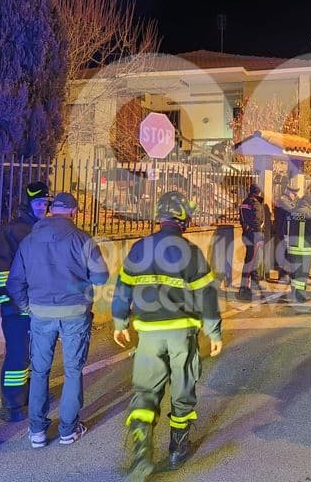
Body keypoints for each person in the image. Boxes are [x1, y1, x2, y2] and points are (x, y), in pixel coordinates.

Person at [112, 191, 223, 479]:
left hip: (147, 334)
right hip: (181, 334)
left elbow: (123, 289)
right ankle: (176, 451)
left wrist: (119, 323)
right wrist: (213, 332)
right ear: (183, 218)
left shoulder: (139, 248)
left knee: (145, 393)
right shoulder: (191, 251)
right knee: (182, 390)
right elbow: (207, 297)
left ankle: (141, 455)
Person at [6, 192, 109, 448]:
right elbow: (100, 277)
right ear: (73, 212)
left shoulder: (29, 240)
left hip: (40, 313)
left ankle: (38, 432)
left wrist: (27, 307)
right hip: (75, 313)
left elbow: (14, 281)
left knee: (40, 371)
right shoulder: (82, 239)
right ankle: (68, 430)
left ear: (52, 210)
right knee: (73, 370)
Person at [0, 181, 51, 422]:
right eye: (38, 203)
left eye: (46, 203)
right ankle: (12, 404)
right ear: (28, 204)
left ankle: (29, 396)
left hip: (41, 305)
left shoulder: (46, 228)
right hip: (17, 308)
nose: (42, 208)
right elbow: (0, 271)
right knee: (17, 357)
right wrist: (8, 303)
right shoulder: (12, 231)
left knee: (37, 355)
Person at [285, 184, 311, 303]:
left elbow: (283, 229)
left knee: (294, 273)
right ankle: (300, 296)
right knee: (302, 274)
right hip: (304, 250)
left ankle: (294, 293)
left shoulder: (292, 212)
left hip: (291, 248)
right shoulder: (309, 213)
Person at [237, 183, 265, 301]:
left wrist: (247, 228)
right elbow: (257, 220)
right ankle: (244, 288)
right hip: (254, 236)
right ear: (258, 193)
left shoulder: (244, 203)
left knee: (251, 261)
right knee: (251, 262)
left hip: (247, 235)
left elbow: (242, 220)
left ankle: (255, 285)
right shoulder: (255, 203)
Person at [273, 183, 298, 284]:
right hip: (284, 231)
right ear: (289, 192)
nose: (295, 196)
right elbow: (293, 213)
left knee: (286, 253)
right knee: (285, 253)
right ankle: (283, 275)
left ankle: (284, 274)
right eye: (294, 194)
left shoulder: (287, 200)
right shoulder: (284, 200)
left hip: (286, 230)